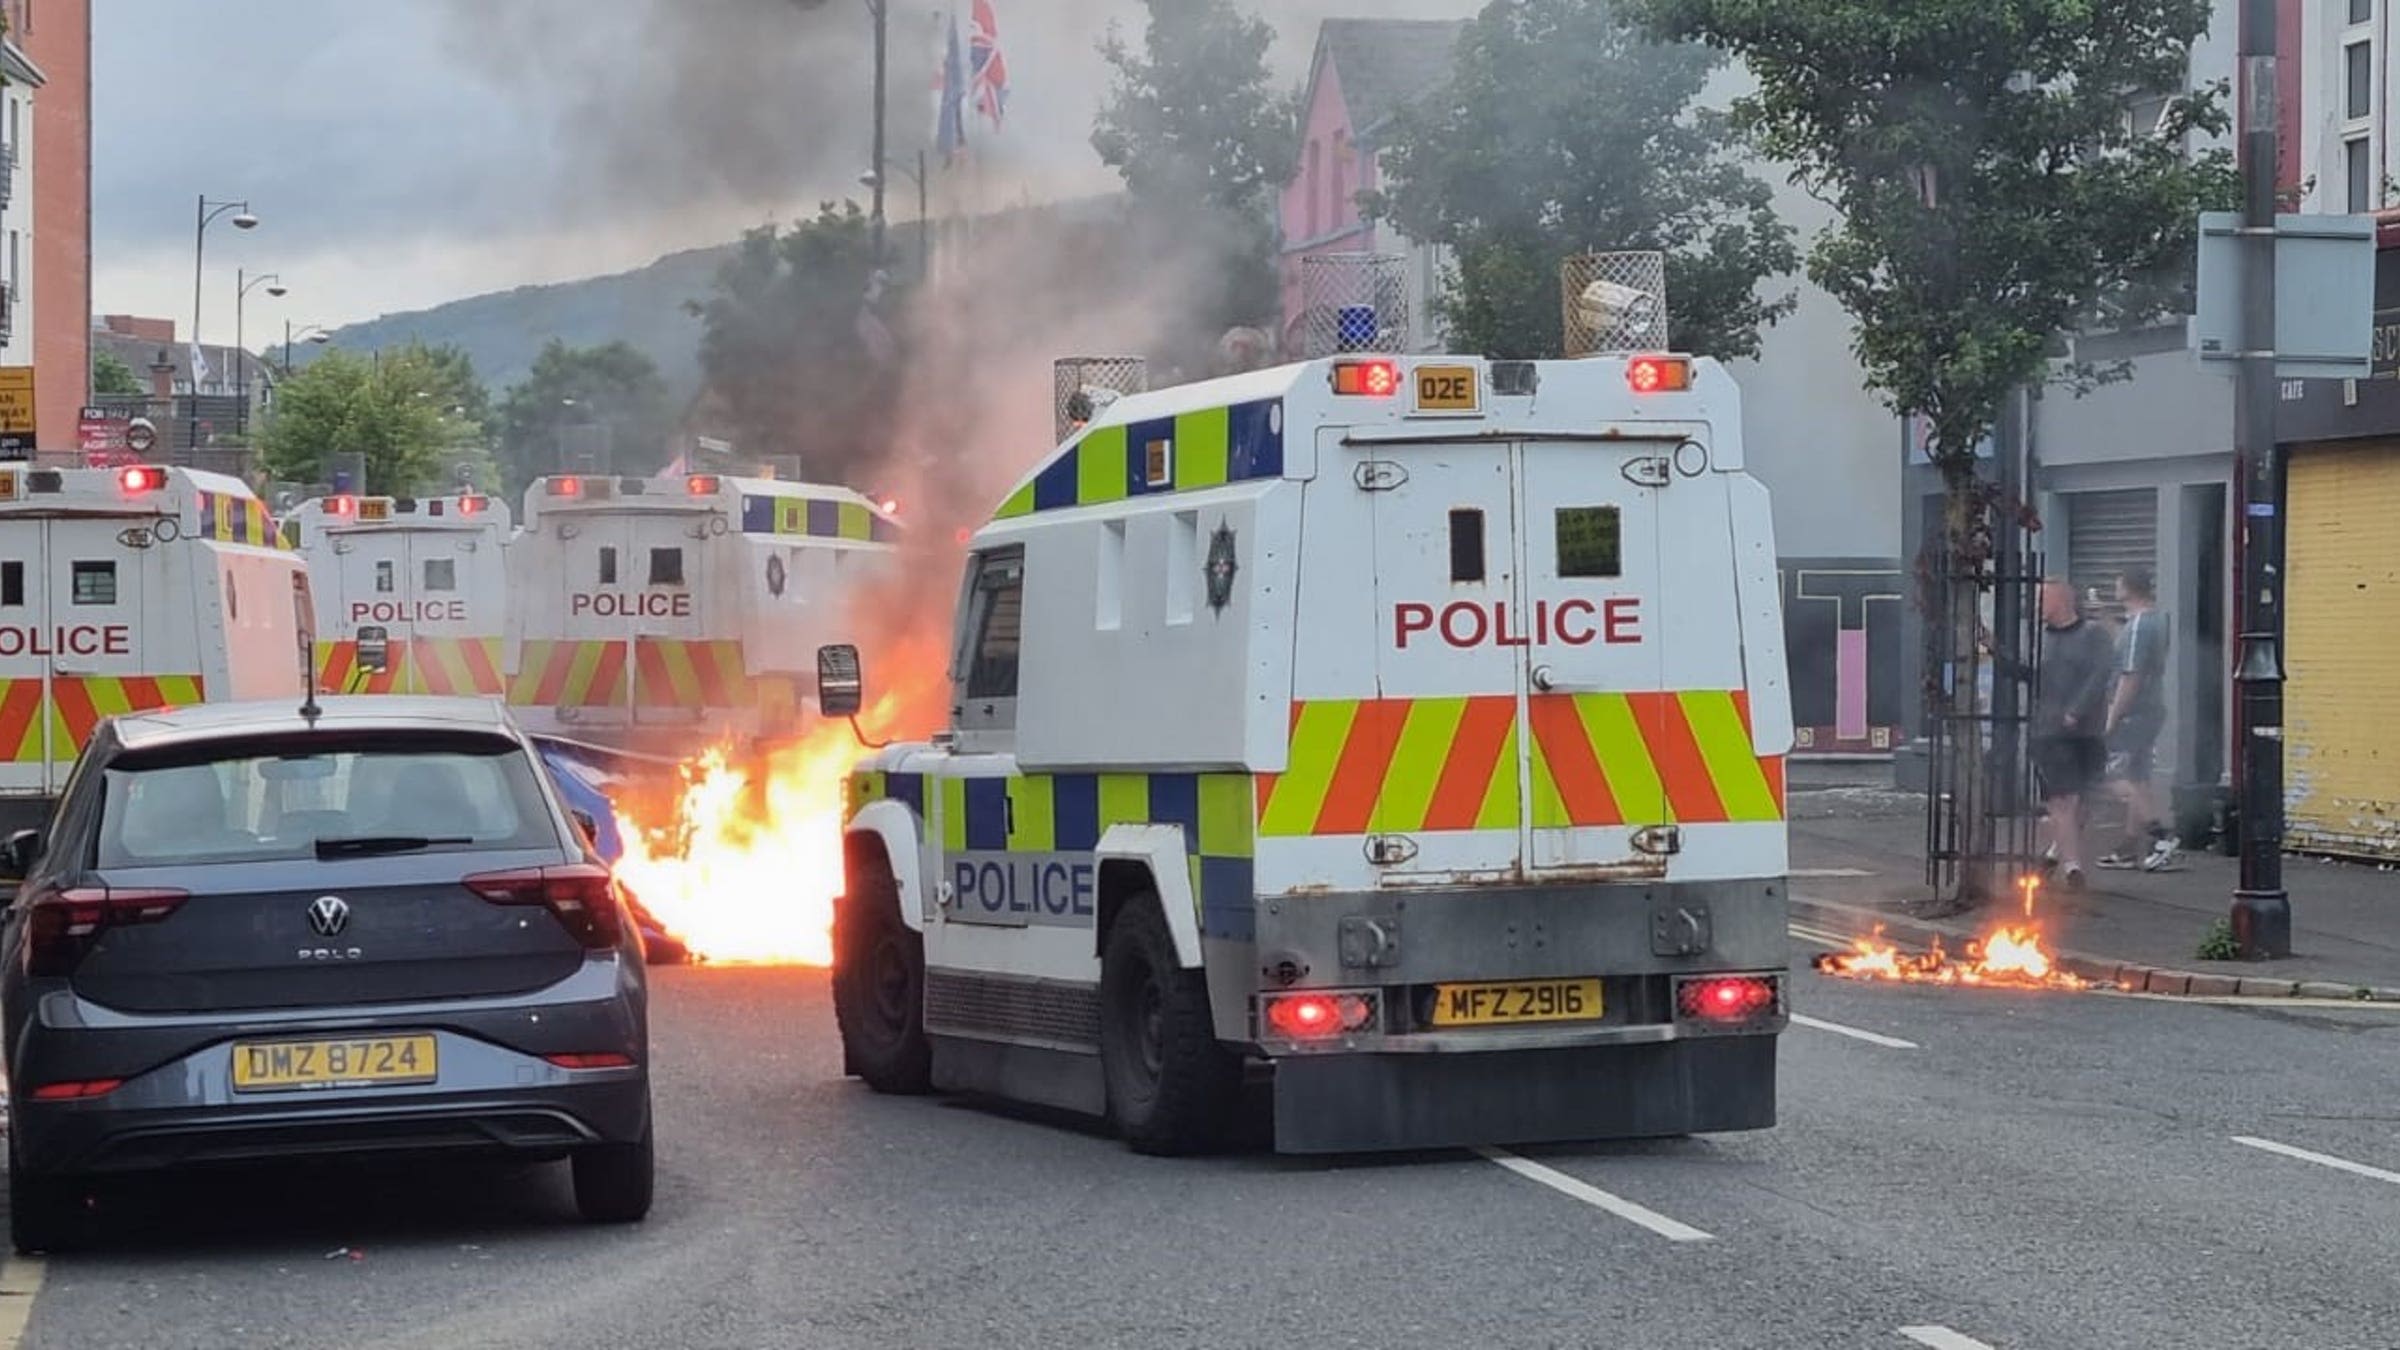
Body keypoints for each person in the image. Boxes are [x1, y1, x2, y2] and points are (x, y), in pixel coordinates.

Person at [2031, 577, 2115, 890]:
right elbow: (2026, 672)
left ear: (2062, 600)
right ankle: (2072, 868)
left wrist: (2076, 711)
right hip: (2049, 733)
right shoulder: (2038, 638)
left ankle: (2055, 852)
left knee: (2085, 801)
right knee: (2062, 799)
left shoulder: (2093, 635)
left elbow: (2100, 674)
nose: (2037, 605)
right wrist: (1993, 646)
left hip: (2087, 731)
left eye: (2042, 598)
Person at [2098, 568, 2181, 871]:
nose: (2114, 587)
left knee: (2111, 776)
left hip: (2133, 712)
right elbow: (2129, 646)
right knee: (2138, 776)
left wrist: (2112, 717)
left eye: (2117, 584)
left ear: (2128, 589)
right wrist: (2106, 619)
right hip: (2150, 709)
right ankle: (2130, 847)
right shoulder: (2155, 621)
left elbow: (2130, 676)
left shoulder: (2139, 627)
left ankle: (2162, 836)